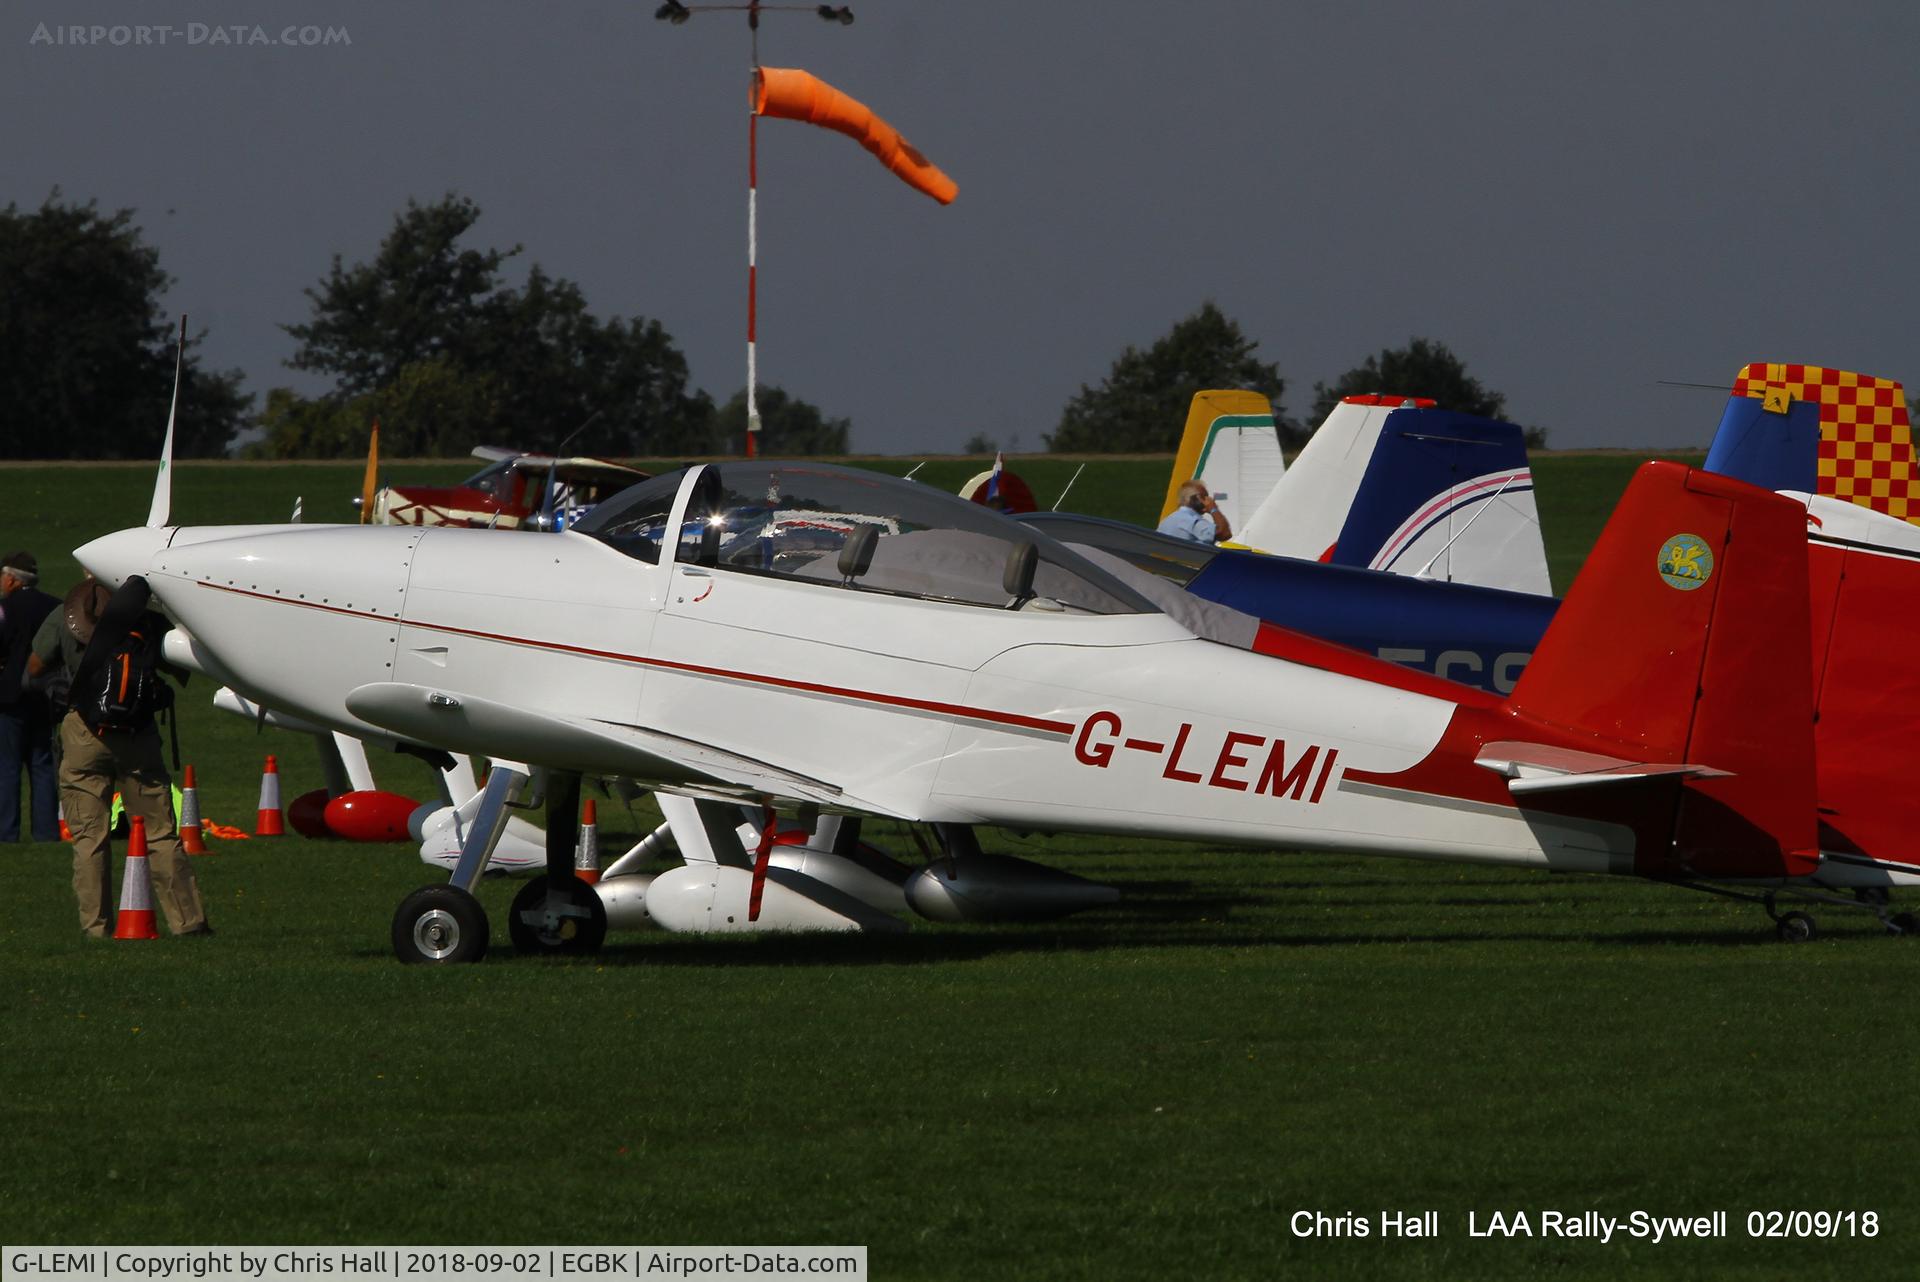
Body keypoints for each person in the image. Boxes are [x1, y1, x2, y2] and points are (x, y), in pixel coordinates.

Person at [28, 576, 210, 938]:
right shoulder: (147, 619)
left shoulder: (62, 616)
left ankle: (96, 927)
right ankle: (187, 921)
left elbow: (33, 669)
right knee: (160, 832)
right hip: (137, 736)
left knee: (90, 839)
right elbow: (183, 665)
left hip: (83, 732)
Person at [0, 551, 59, 843]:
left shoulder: (6, 608)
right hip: (44, 694)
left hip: (9, 696)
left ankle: (6, 832)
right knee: (42, 763)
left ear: (11, 579)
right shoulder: (54, 606)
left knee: (8, 766)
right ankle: (46, 832)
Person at [1157, 479, 1232, 545]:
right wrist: (1214, 509)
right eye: (1204, 496)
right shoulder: (1190, 520)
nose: (1208, 500)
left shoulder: (1166, 521)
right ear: (1194, 499)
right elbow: (1225, 533)